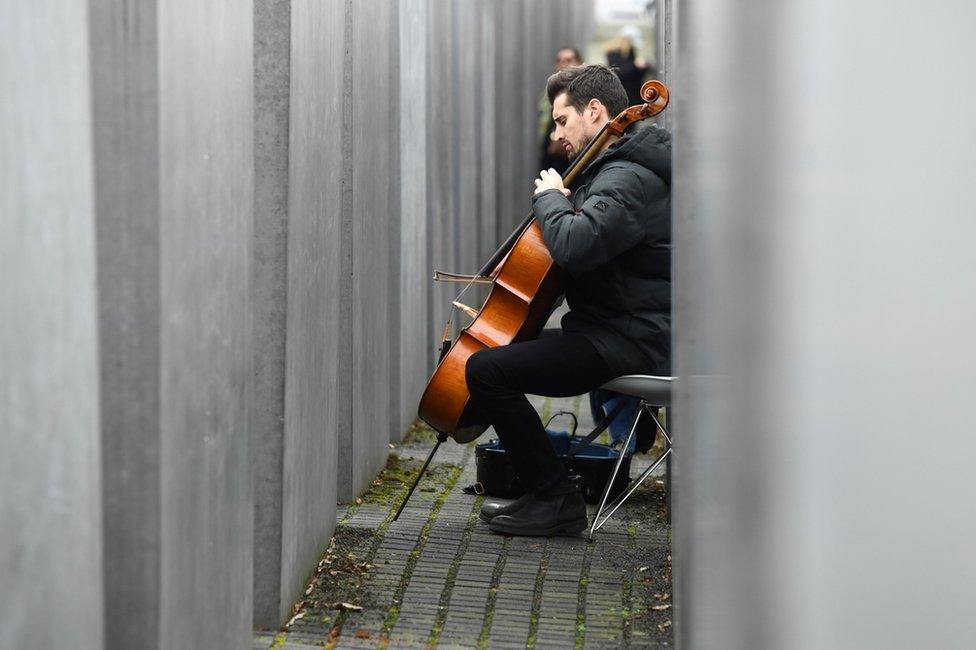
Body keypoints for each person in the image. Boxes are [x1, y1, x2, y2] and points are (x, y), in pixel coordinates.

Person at [466, 65, 671, 536]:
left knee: (486, 370)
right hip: (618, 329)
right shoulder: (619, 170)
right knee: (498, 360)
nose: (557, 136)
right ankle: (549, 493)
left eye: (562, 121)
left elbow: (577, 244)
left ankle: (555, 499)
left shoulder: (627, 178)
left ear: (595, 111)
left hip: (631, 338)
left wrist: (552, 198)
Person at [538, 47, 583, 173]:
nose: (563, 64)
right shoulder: (548, 94)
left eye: (568, 60)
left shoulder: (584, 93)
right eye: (560, 60)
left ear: (579, 63)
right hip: (550, 159)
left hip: (573, 164)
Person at [605, 26, 657, 106]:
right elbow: (620, 72)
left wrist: (643, 67)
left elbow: (634, 74)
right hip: (624, 95)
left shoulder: (629, 51)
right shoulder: (613, 53)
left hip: (633, 95)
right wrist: (635, 65)